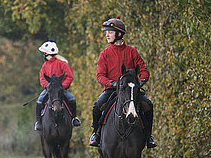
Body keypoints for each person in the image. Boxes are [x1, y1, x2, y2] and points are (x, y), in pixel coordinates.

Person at [88, 17, 156, 149]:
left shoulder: (132, 52)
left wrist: (139, 83)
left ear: (119, 34)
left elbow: (144, 71)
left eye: (110, 32)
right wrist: (112, 84)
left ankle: (148, 136)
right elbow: (100, 76)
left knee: (148, 105)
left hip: (130, 90)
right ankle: (95, 134)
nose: (107, 34)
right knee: (97, 106)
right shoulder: (105, 54)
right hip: (112, 90)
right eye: (106, 32)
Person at [34, 40, 81, 131]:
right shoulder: (45, 65)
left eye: (45, 54)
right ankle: (39, 122)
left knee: (71, 99)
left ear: (48, 54)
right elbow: (42, 77)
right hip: (49, 89)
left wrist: (62, 87)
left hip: (61, 89)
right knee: (39, 101)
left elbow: (69, 76)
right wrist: (46, 86)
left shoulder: (62, 64)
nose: (44, 55)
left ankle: (74, 118)